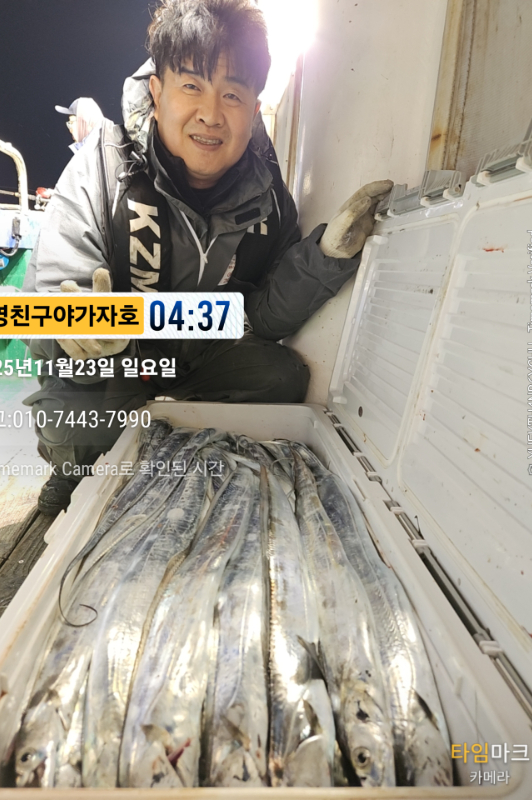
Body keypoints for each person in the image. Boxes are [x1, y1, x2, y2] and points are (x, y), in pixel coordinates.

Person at [23, 0, 391, 516]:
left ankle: (193, 456)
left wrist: (328, 256)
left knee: (281, 376)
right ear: (157, 93)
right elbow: (47, 301)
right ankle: (71, 475)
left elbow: (263, 315)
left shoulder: (268, 196)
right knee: (71, 418)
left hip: (198, 355)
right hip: (118, 361)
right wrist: (79, 331)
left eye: (232, 94)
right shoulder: (101, 167)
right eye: (191, 86)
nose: (211, 115)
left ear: (254, 108)